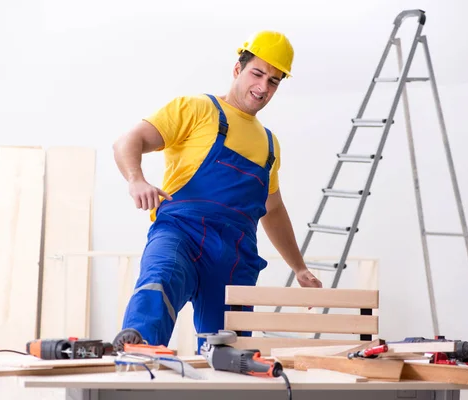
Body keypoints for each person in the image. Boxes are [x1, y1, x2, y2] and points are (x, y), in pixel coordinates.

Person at [112, 30, 322, 349]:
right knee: (160, 282)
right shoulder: (198, 108)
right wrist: (136, 179)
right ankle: (136, 355)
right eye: (258, 73)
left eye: (274, 81)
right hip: (181, 234)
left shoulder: (269, 144)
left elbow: (273, 209)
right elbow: (128, 140)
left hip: (236, 255)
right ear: (237, 69)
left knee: (227, 351)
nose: (263, 87)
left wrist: (299, 267)